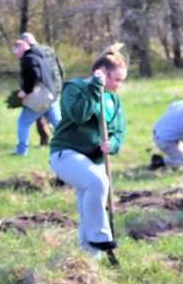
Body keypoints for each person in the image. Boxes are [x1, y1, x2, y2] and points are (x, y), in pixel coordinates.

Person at [48, 46, 127, 255]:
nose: (118, 86)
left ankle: (89, 259)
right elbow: (79, 115)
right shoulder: (73, 87)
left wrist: (114, 144)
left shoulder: (114, 100)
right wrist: (95, 87)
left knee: (88, 207)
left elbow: (119, 131)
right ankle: (100, 237)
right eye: (116, 80)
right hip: (66, 153)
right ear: (102, 72)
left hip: (95, 159)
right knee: (98, 182)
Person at [12, 38, 61, 155]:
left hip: (39, 100)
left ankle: (21, 150)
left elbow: (35, 74)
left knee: (23, 122)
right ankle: (70, 147)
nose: (16, 55)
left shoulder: (28, 59)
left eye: (15, 52)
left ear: (22, 48)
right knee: (59, 125)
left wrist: (26, 91)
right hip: (51, 97)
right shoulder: (42, 57)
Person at [22, 32, 66, 145]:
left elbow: (34, 73)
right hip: (55, 86)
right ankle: (63, 138)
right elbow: (60, 68)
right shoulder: (49, 49)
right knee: (54, 115)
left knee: (41, 113)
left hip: (42, 89)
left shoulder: (31, 53)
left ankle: (45, 139)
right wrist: (60, 84)